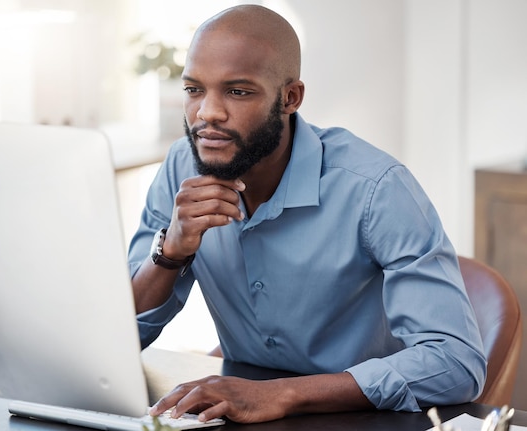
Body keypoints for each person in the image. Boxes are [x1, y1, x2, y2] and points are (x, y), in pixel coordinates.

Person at [128, 4, 486, 425]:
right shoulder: (180, 168)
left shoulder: (376, 189)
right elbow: (118, 338)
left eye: (238, 91)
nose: (208, 113)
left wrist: (282, 394)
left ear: (290, 97)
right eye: (194, 90)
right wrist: (170, 252)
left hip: (366, 419)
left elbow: (456, 362)